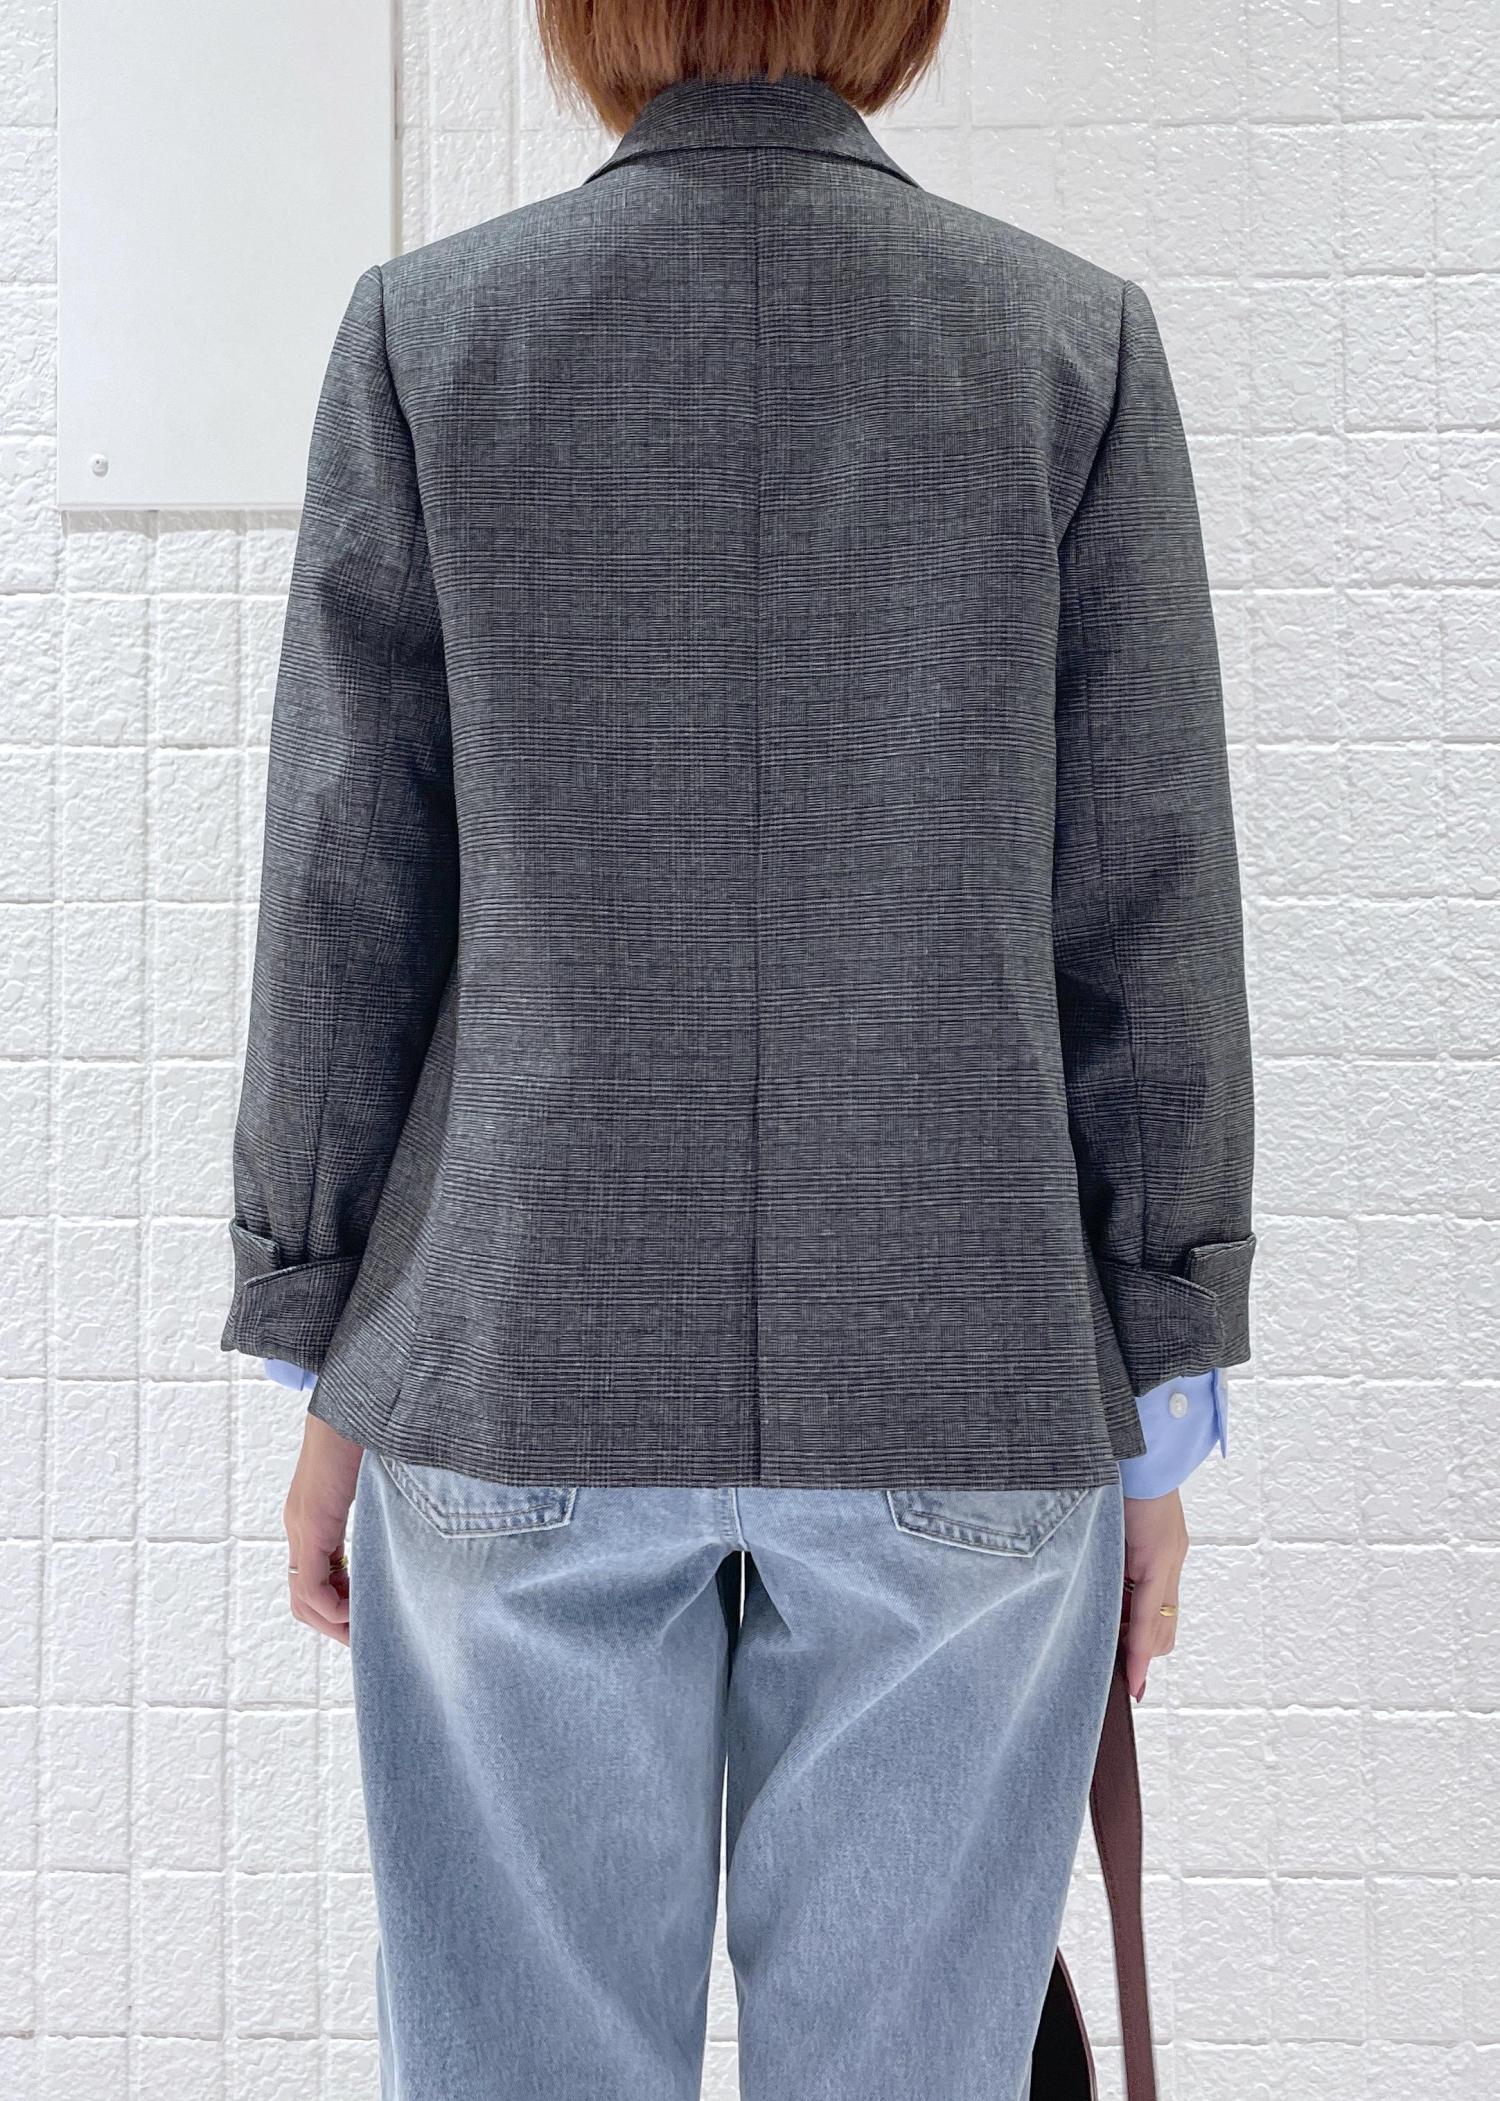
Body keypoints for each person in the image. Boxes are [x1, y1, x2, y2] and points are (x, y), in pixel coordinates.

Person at [219, 5, 1255, 2096]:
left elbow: (347, 886)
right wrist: (1158, 1399)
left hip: (514, 1355)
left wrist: (314, 1336)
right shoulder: (1067, 347)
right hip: (968, 1378)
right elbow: (1146, 900)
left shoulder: (435, 338)